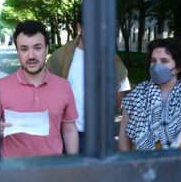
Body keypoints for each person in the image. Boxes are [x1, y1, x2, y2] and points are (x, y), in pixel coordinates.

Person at [46, 11, 131, 153]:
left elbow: (120, 93)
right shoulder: (60, 57)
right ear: (79, 27)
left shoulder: (112, 59)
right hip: (67, 132)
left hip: (101, 134)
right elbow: (47, 93)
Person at [0, 20, 79, 157]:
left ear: (47, 49)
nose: (31, 56)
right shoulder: (0, 87)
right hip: (12, 172)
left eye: (37, 48)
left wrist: (74, 166)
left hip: (52, 171)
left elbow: (69, 130)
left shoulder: (63, 86)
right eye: (24, 49)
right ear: (17, 51)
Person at [118, 38, 181, 151]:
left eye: (164, 61)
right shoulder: (136, 96)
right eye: (153, 61)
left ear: (178, 67)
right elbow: (124, 138)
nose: (157, 66)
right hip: (142, 165)